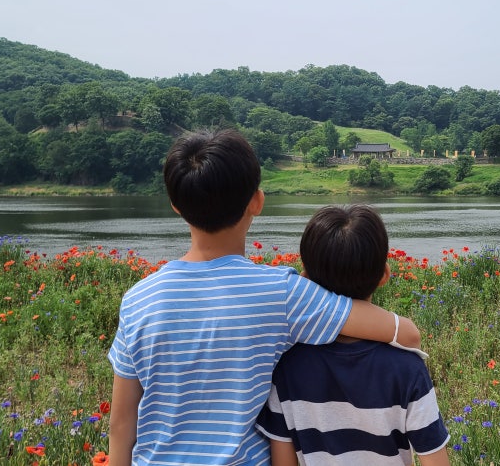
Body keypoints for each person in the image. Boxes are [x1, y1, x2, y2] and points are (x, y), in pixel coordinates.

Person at [107, 129, 422, 466]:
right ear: (257, 201)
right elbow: (404, 333)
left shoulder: (138, 299)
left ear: (175, 205)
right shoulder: (282, 293)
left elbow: (121, 425)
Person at [256, 204, 451, 466]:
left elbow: (283, 462)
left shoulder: (286, 367)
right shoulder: (407, 368)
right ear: (385, 275)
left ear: (305, 277)